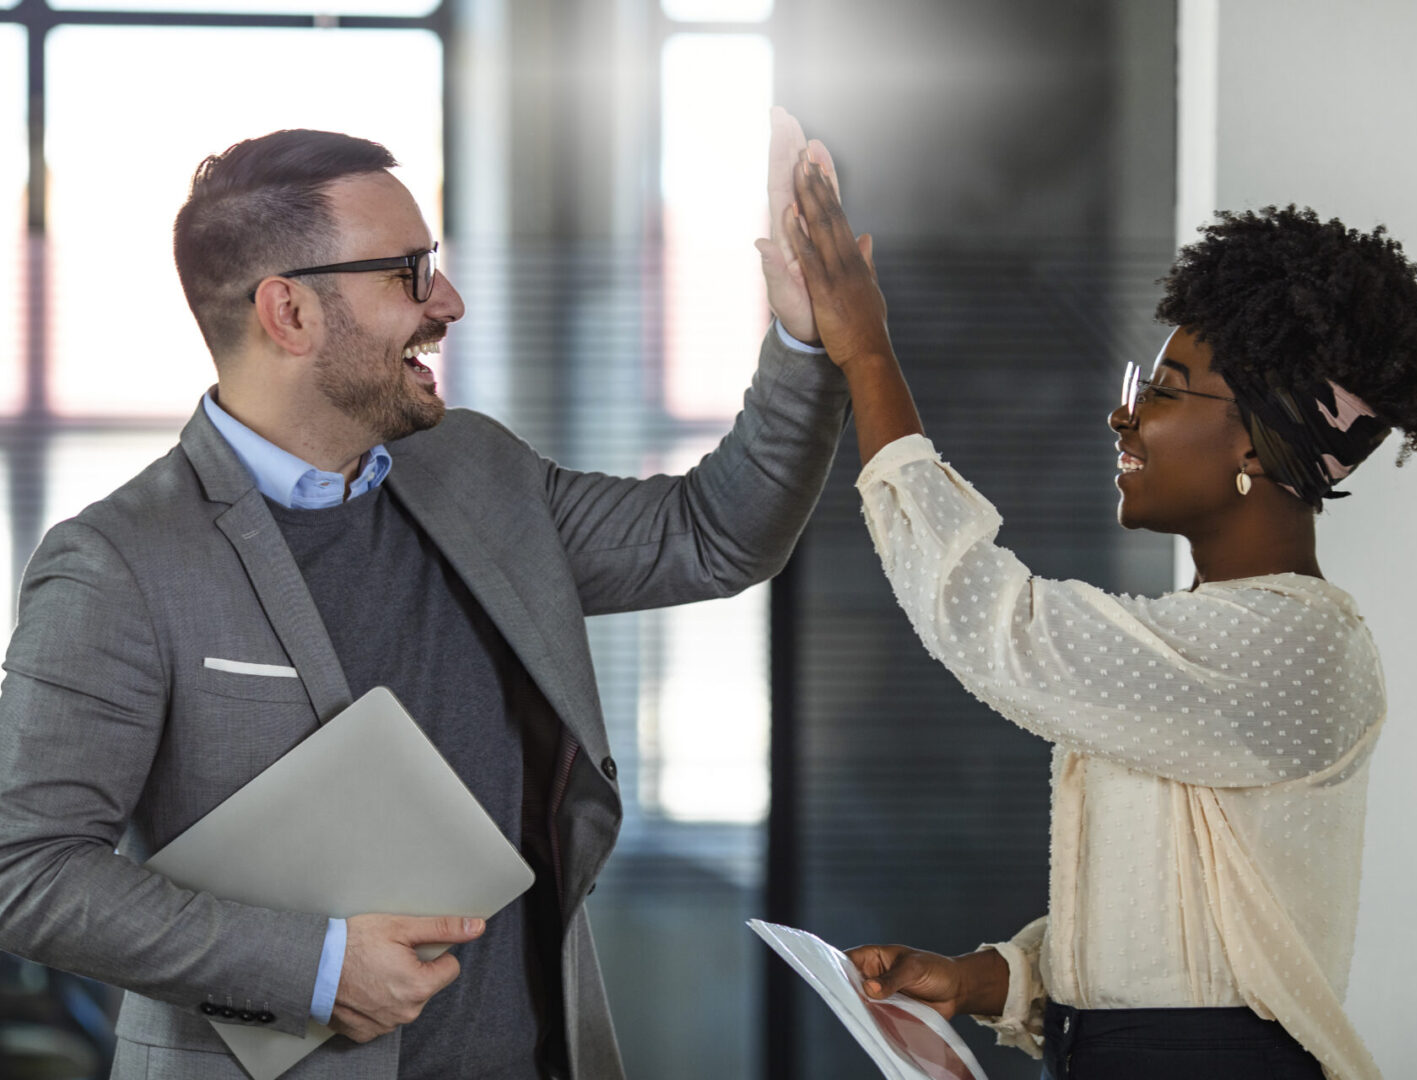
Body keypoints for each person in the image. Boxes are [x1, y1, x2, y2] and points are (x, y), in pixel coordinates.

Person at [0, 109, 847, 1080]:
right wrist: (316, 969)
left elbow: (713, 536)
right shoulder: (119, 563)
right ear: (291, 313)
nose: (446, 300)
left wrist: (803, 333)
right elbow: (26, 871)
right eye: (409, 271)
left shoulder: (474, 472)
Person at [781, 159, 1417, 1080]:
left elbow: (998, 627)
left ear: (1255, 441)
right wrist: (990, 979)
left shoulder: (1296, 646)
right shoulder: (1206, 643)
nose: (1125, 415)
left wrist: (868, 355)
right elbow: (1165, 933)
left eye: (1166, 387)